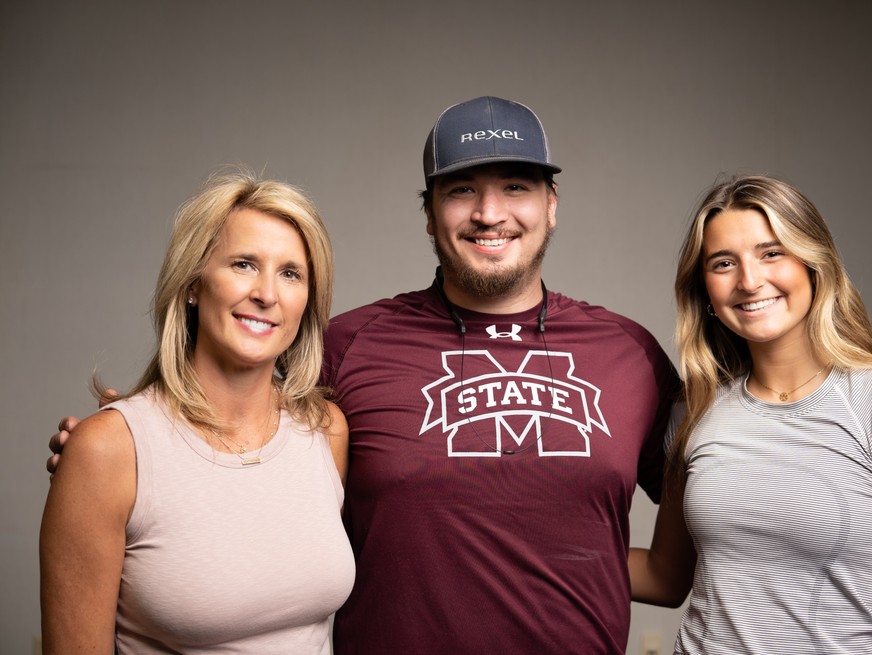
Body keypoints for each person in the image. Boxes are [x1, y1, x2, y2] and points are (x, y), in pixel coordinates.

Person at [47, 97, 679, 653]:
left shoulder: (631, 355)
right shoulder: (348, 346)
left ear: (552, 204)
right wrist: (115, 448)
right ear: (429, 213)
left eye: (516, 186)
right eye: (461, 190)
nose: (490, 212)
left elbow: (693, 538)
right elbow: (227, 401)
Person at [628, 175, 872, 654]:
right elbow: (665, 577)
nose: (749, 281)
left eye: (772, 253)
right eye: (724, 263)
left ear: (814, 263)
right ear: (704, 290)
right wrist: (513, 548)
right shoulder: (693, 408)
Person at [40, 171, 355, 653]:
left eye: (290, 273)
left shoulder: (326, 430)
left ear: (306, 300)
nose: (267, 294)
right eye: (244, 264)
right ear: (192, 283)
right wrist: (94, 455)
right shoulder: (110, 451)